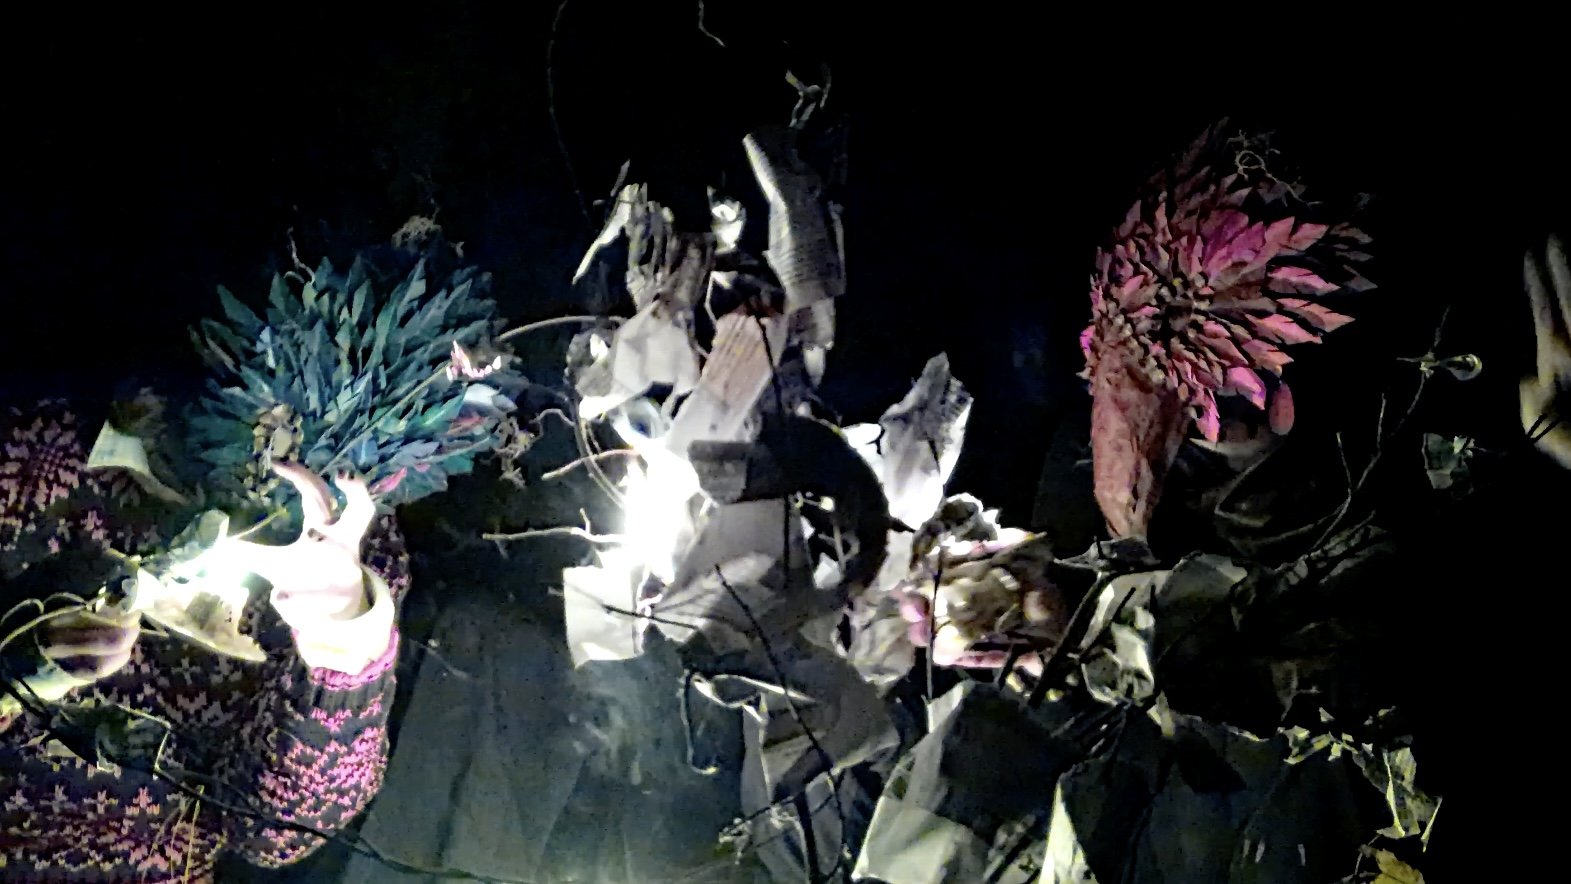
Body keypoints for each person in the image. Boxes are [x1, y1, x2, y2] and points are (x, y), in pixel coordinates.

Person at [0, 229, 517, 882]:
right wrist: (17, 667)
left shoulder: (342, 554)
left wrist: (340, 642)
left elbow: (275, 833)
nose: (279, 475)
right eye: (268, 434)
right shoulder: (34, 458)